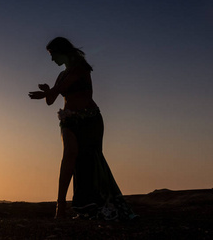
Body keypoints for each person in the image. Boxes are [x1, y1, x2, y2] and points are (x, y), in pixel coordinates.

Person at [29, 37, 136, 220]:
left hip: (91, 120)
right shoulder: (61, 75)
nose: (52, 59)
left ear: (62, 51)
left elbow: (61, 88)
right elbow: (50, 101)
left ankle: (91, 205)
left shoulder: (80, 68)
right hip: (69, 120)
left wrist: (50, 91)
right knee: (70, 154)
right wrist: (48, 91)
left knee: (89, 160)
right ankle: (60, 207)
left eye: (53, 54)